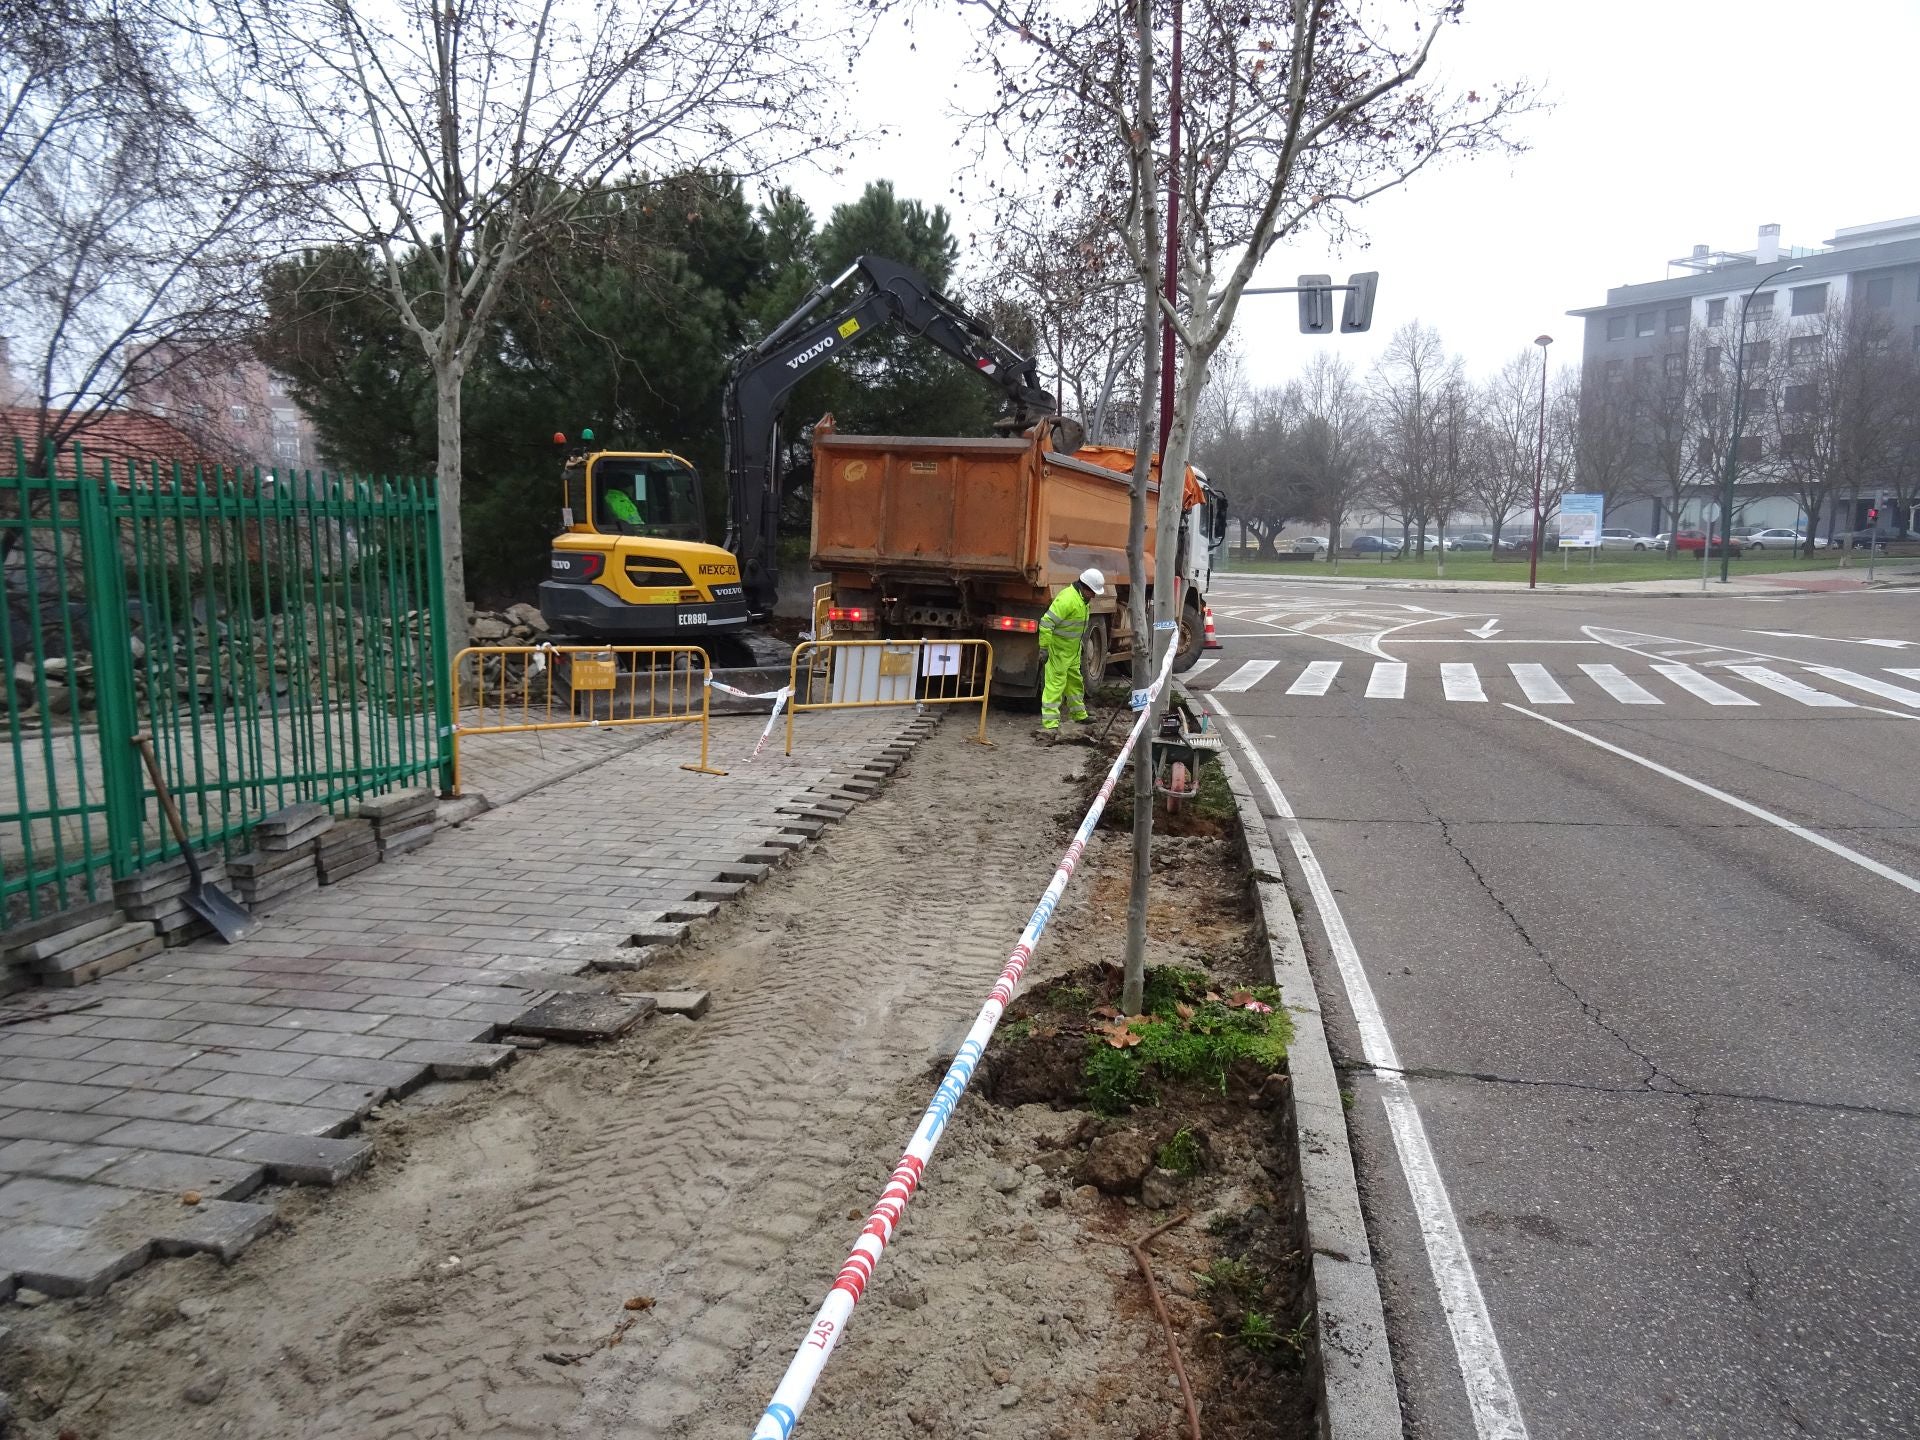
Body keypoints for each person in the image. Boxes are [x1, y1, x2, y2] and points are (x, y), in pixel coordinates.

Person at [1036, 567, 1103, 742]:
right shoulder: (1067, 599)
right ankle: (1050, 725)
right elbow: (1046, 623)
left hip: (1072, 651)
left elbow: (1075, 628)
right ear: (1085, 587)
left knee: (1075, 683)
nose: (1094, 596)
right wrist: (1044, 648)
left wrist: (1079, 645)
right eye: (1093, 592)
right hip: (1058, 651)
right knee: (1055, 686)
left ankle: (1078, 714)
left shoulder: (1081, 600)